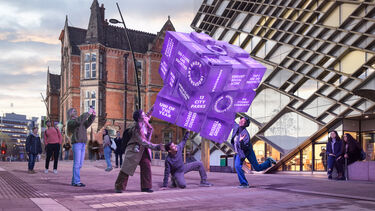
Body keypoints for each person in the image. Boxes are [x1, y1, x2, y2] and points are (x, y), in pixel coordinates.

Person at [114, 108, 162, 193]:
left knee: (146, 166)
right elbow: (142, 141)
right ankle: (119, 187)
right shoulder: (135, 129)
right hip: (134, 149)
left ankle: (146, 187)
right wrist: (156, 147)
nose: (145, 116)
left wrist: (154, 107)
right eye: (143, 115)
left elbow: (148, 115)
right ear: (139, 118)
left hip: (144, 150)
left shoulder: (145, 120)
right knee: (126, 168)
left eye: (144, 115)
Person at [231, 117, 276, 188]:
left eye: (243, 121)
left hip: (247, 151)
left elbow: (244, 147)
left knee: (257, 168)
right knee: (237, 166)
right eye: (241, 120)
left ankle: (269, 162)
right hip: (239, 152)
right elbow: (231, 120)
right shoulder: (236, 127)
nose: (241, 121)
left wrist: (241, 141)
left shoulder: (245, 135)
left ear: (245, 124)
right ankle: (244, 183)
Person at [66, 107, 96, 187]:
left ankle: (74, 181)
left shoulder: (79, 120)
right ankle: (76, 181)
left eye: (75, 110)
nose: (75, 111)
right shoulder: (71, 122)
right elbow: (78, 121)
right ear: (70, 114)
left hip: (82, 143)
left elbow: (87, 123)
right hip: (77, 143)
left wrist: (93, 116)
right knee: (77, 163)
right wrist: (88, 113)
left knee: (80, 164)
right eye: (73, 111)